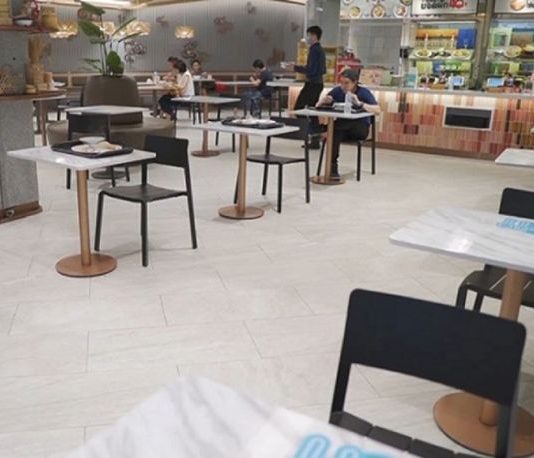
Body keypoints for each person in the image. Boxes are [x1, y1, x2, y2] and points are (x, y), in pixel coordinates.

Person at [316, 68, 381, 180]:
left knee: (334, 129)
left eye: (346, 83)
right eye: (341, 82)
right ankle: (332, 168)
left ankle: (324, 129)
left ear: (355, 82)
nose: (343, 86)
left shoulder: (363, 92)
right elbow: (318, 106)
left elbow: (377, 110)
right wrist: (323, 101)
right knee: (334, 134)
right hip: (342, 128)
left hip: (359, 128)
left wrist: (360, 103)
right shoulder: (337, 91)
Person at [289, 25, 326, 149]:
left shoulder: (314, 50)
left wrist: (295, 67)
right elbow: (322, 69)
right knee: (312, 111)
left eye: (309, 35)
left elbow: (311, 69)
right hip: (317, 83)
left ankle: (314, 133)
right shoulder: (320, 50)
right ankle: (315, 138)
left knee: (299, 109)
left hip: (312, 84)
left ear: (314, 36)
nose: (307, 38)